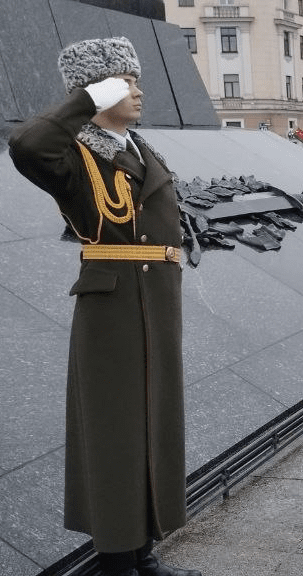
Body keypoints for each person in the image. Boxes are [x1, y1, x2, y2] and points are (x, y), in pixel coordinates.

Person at [8, 38, 199, 576]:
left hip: (156, 301)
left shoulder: (136, 146)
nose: (138, 91)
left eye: (135, 80)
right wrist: (86, 98)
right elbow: (26, 143)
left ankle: (143, 551)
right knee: (115, 430)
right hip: (113, 303)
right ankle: (117, 561)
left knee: (151, 425)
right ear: (99, 88)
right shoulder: (73, 152)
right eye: (125, 81)